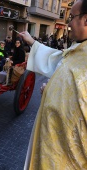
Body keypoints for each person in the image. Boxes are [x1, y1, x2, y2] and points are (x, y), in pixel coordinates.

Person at [21, 0, 87, 169]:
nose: (69, 23)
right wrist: (50, 89)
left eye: (72, 17)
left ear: (85, 20)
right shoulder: (78, 50)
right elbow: (59, 59)